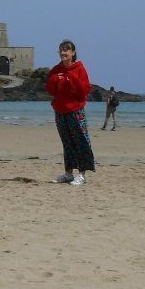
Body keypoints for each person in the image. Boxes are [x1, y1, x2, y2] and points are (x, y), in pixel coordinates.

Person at [46, 40, 96, 186]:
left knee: (80, 141)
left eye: (66, 50)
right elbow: (50, 89)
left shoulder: (79, 68)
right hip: (60, 111)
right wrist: (56, 79)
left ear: (73, 53)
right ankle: (68, 173)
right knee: (67, 142)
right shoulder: (56, 70)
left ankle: (82, 175)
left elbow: (84, 91)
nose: (63, 53)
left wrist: (71, 78)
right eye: (61, 50)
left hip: (75, 111)